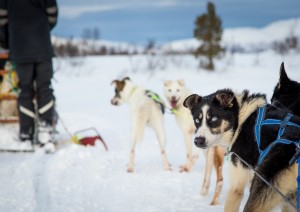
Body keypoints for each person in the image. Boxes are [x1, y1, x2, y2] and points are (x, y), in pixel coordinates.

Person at [0, 0, 58, 149]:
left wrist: (7, 42)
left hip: (19, 48)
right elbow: (52, 14)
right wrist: (42, 30)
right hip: (42, 46)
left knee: (24, 90)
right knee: (44, 88)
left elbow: (2, 19)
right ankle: (46, 130)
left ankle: (26, 133)